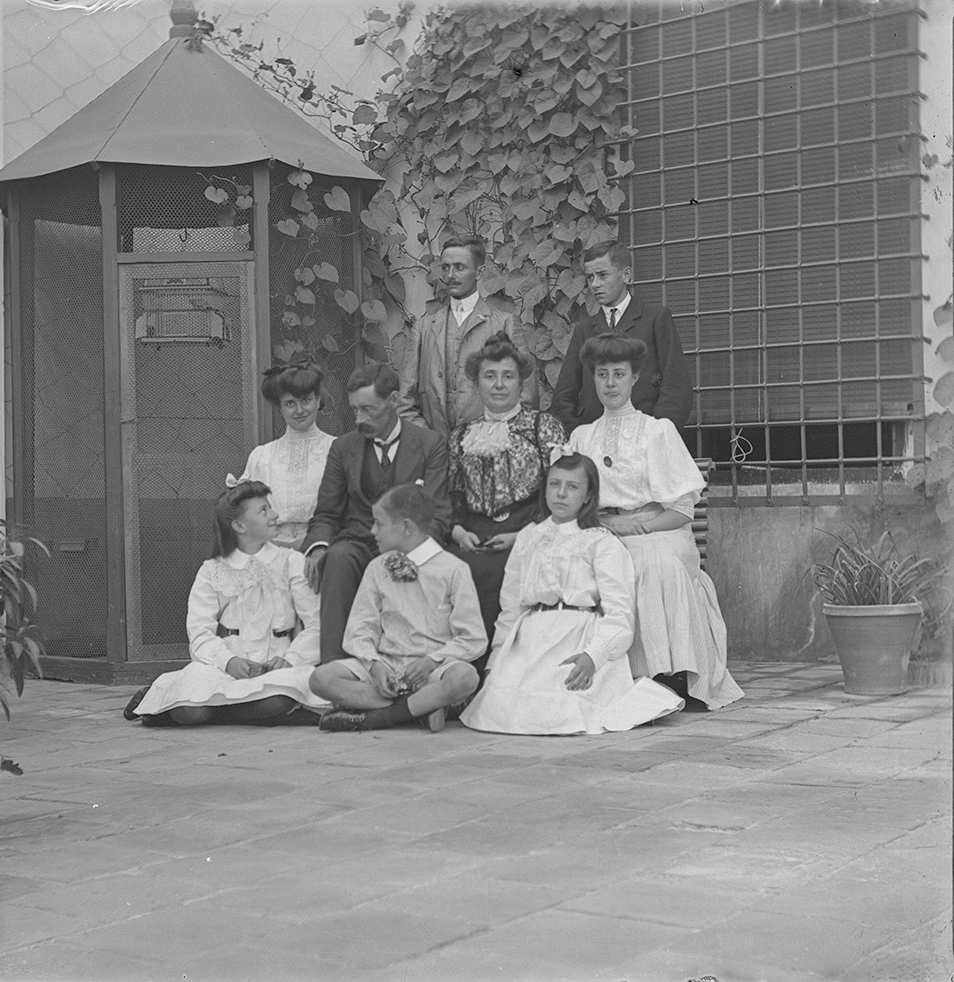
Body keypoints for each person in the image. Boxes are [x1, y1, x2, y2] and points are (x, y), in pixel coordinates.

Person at [567, 333, 743, 710]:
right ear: (592, 379)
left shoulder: (656, 430)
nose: (610, 384)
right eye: (602, 375)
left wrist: (641, 527)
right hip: (603, 529)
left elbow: (681, 509)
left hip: (660, 528)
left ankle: (672, 675)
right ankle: (615, 677)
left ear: (635, 379)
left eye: (619, 374)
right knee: (594, 564)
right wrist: (610, 524)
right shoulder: (582, 438)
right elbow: (572, 506)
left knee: (654, 564)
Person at [460, 452, 684, 735]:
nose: (561, 494)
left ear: (589, 496)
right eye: (554, 484)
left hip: (576, 637)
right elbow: (510, 607)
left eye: (573, 486)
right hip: (529, 639)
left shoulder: (601, 542)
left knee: (565, 706)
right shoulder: (529, 537)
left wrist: (593, 656)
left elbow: (620, 613)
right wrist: (495, 663)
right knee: (502, 708)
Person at [123, 479, 326, 726]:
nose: (275, 515)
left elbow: (318, 624)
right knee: (191, 712)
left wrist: (291, 658)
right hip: (225, 665)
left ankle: (171, 705)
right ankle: (180, 703)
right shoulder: (213, 571)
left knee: (277, 699)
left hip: (276, 666)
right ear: (239, 525)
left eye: (270, 507)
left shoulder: (291, 562)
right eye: (264, 510)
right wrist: (228, 662)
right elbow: (199, 631)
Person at [302, 362, 452, 665]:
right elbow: (326, 513)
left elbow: (438, 515)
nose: (359, 419)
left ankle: (410, 670)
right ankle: (336, 669)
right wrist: (317, 547)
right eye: (355, 410)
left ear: (394, 401)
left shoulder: (429, 445)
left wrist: (413, 554)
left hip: (410, 545)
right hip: (359, 540)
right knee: (338, 558)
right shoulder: (344, 448)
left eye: (369, 410)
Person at [311, 484, 485, 733]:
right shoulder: (376, 567)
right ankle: (422, 707)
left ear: (406, 527)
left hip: (433, 669)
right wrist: (375, 665)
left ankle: (377, 718)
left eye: (379, 524)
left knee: (465, 678)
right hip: (387, 664)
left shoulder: (453, 570)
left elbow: (473, 637)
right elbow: (359, 629)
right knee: (321, 679)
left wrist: (432, 661)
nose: (373, 531)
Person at [447, 332, 565, 664]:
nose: (499, 385)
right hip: (473, 532)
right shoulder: (461, 436)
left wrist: (520, 536)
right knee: (448, 568)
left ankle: (493, 672)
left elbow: (561, 495)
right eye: (490, 376)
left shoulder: (544, 428)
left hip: (529, 529)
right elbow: (453, 497)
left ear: (521, 383)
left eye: (508, 376)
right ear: (476, 383)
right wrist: (458, 533)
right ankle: (455, 672)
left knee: (494, 571)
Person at [397, 234, 538, 439]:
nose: (451, 275)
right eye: (445, 267)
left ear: (479, 272)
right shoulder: (424, 327)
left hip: (491, 446)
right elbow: (405, 401)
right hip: (436, 453)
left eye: (459, 267)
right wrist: (431, 442)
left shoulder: (504, 323)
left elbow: (528, 394)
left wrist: (496, 438)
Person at [549, 240, 693, 432]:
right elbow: (564, 395)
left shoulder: (655, 318)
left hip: (644, 436)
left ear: (626, 275)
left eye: (602, 275)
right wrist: (577, 437)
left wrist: (657, 433)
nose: (595, 284)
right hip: (593, 440)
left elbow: (676, 386)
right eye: (590, 277)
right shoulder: (584, 329)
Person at [240, 360, 335, 549]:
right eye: (290, 403)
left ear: (318, 400)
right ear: (280, 408)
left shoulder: (336, 449)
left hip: (322, 547)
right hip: (269, 548)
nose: (299, 410)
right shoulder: (262, 457)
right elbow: (245, 513)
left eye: (306, 400)